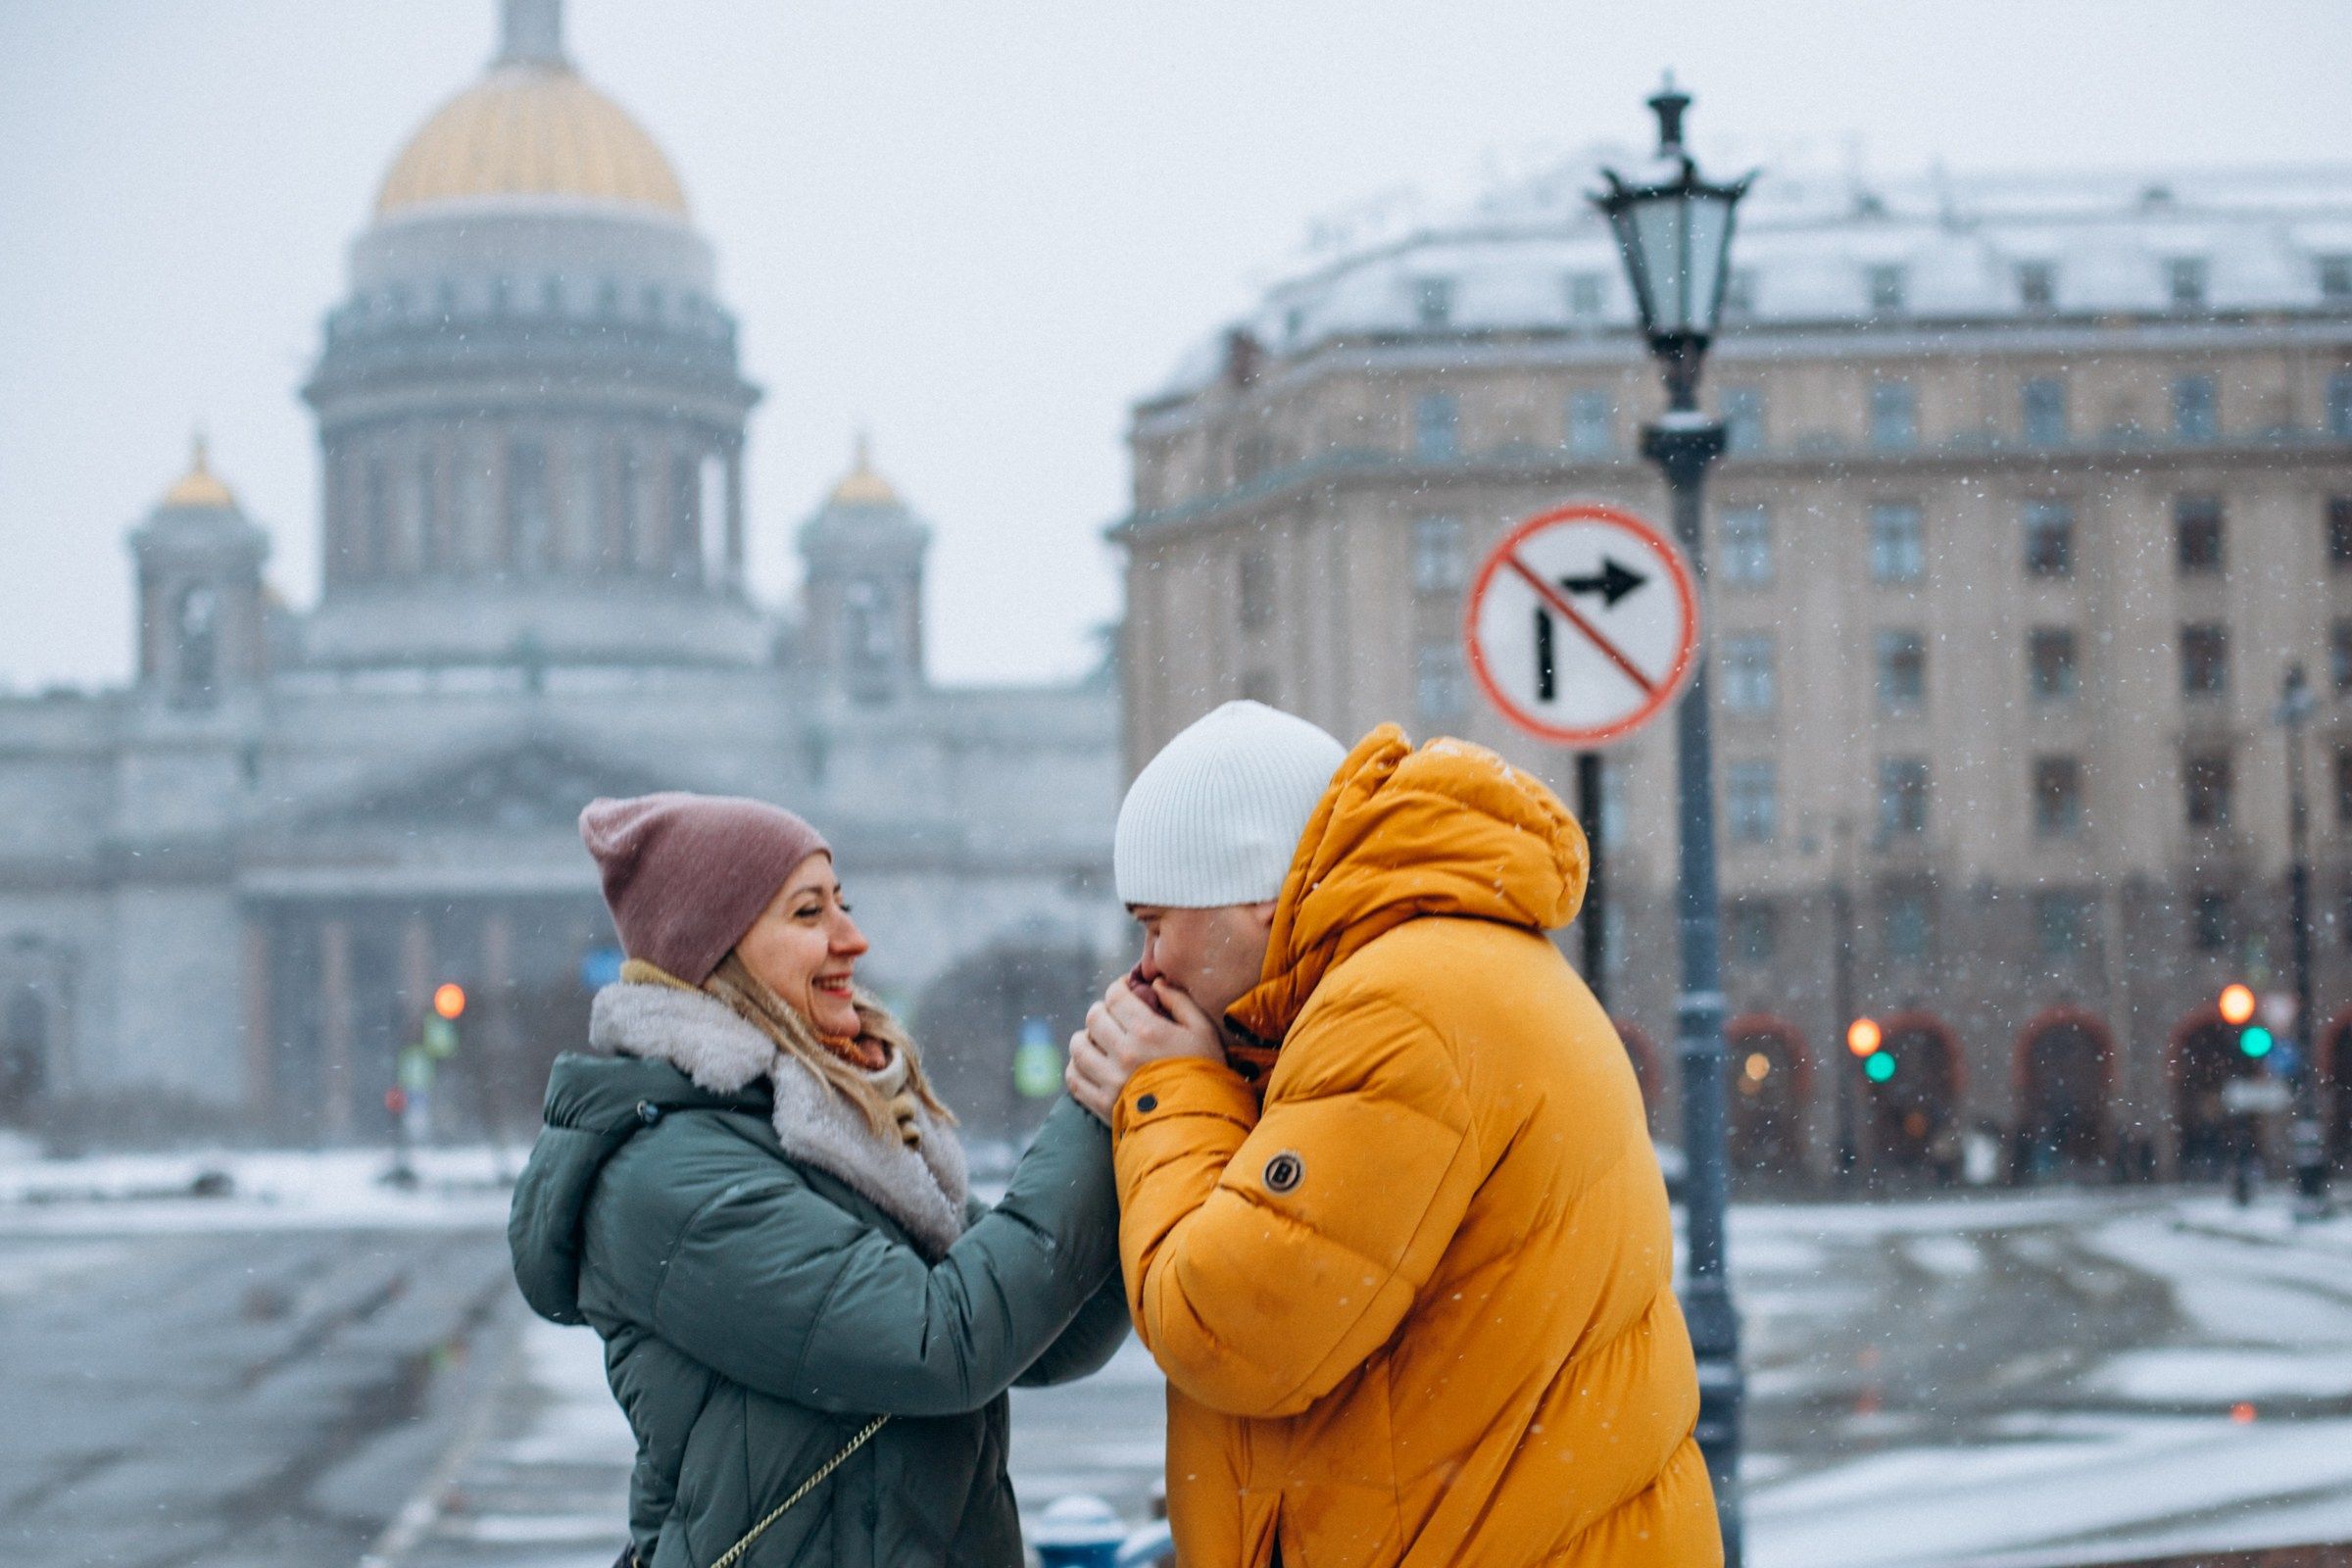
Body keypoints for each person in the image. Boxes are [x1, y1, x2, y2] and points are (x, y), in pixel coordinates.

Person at [1066, 702, 1718, 1567]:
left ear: (1257, 892)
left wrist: (1169, 1093)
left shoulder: (1396, 1009)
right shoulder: (1446, 964)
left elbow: (1232, 1328)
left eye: (1155, 923)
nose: (1146, 968)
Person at [511, 792, 1129, 1568]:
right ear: (715, 951)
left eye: (844, 904)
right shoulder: (669, 1179)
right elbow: (940, 1345)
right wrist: (1101, 1106)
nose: (853, 938)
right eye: (809, 914)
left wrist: (1148, 1137)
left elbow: (1046, 1338)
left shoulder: (833, 1135)